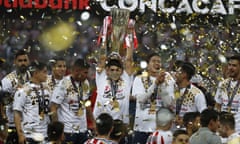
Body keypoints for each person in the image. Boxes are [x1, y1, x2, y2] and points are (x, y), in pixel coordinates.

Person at [132, 53, 175, 144]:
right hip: (142, 128)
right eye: (153, 61)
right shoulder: (139, 79)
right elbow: (141, 100)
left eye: (159, 61)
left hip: (161, 129)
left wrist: (162, 85)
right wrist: (155, 84)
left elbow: (168, 103)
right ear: (147, 65)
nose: (157, 63)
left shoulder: (169, 80)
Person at [50, 58, 95, 144]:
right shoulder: (63, 84)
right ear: (77, 71)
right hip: (67, 130)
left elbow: (87, 105)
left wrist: (94, 123)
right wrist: (58, 132)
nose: (87, 75)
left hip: (83, 129)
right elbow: (53, 108)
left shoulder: (85, 83)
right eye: (85, 72)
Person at [13, 61, 50, 144]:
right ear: (36, 73)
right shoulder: (23, 91)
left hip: (45, 134)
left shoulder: (47, 89)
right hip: (29, 136)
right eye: (44, 72)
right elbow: (17, 113)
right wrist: (20, 134)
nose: (46, 75)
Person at [1, 49, 31, 144]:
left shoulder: (31, 77)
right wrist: (17, 95)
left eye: (25, 60)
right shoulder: (7, 81)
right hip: (12, 124)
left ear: (28, 61)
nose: (23, 63)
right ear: (15, 62)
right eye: (20, 61)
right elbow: (2, 102)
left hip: (28, 124)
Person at [174, 62, 207, 128]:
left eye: (177, 72)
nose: (175, 75)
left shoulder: (196, 93)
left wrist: (186, 122)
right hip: (171, 131)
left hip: (187, 133)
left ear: (184, 75)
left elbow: (203, 115)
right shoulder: (172, 90)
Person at [215, 55, 240, 134]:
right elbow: (218, 105)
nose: (230, 68)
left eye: (234, 66)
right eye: (229, 65)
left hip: (237, 127)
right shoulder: (223, 84)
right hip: (223, 126)